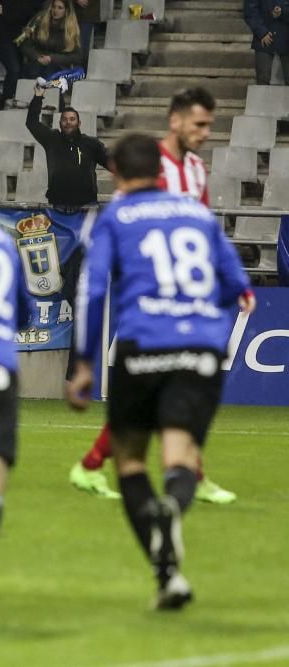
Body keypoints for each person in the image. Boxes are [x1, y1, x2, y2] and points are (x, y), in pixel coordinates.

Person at [66, 133, 254, 610]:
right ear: (160, 169)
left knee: (129, 462)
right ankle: (172, 527)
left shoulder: (115, 217)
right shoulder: (198, 215)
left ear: (115, 172)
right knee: (179, 457)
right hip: (198, 349)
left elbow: (91, 292)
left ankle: (165, 571)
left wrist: (85, 364)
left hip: (142, 346)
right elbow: (235, 282)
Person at [69, 88, 238, 505]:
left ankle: (98, 466)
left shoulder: (197, 169)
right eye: (199, 124)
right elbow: (125, 221)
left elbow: (203, 226)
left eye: (209, 125)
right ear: (175, 120)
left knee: (159, 392)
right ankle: (173, 474)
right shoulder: (147, 165)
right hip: (148, 290)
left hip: (184, 289)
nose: (205, 133)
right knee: (159, 391)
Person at [26, 84, 108, 208]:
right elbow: (32, 123)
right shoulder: (51, 139)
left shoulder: (92, 143)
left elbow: (113, 163)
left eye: (72, 119)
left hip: (86, 207)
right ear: (59, 123)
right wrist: (38, 97)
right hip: (58, 206)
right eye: (64, 120)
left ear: (79, 123)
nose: (68, 122)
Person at [20, 0, 82, 84]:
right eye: (54, 7)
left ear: (66, 11)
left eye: (60, 8)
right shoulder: (40, 22)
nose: (55, 10)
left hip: (59, 65)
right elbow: (25, 46)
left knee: (49, 74)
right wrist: (37, 57)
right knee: (33, 72)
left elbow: (77, 56)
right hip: (38, 61)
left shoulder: (71, 29)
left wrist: (52, 58)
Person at [244, 0, 289, 85]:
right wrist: (261, 32)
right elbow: (250, 11)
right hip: (263, 39)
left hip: (286, 38)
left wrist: (283, 12)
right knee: (262, 79)